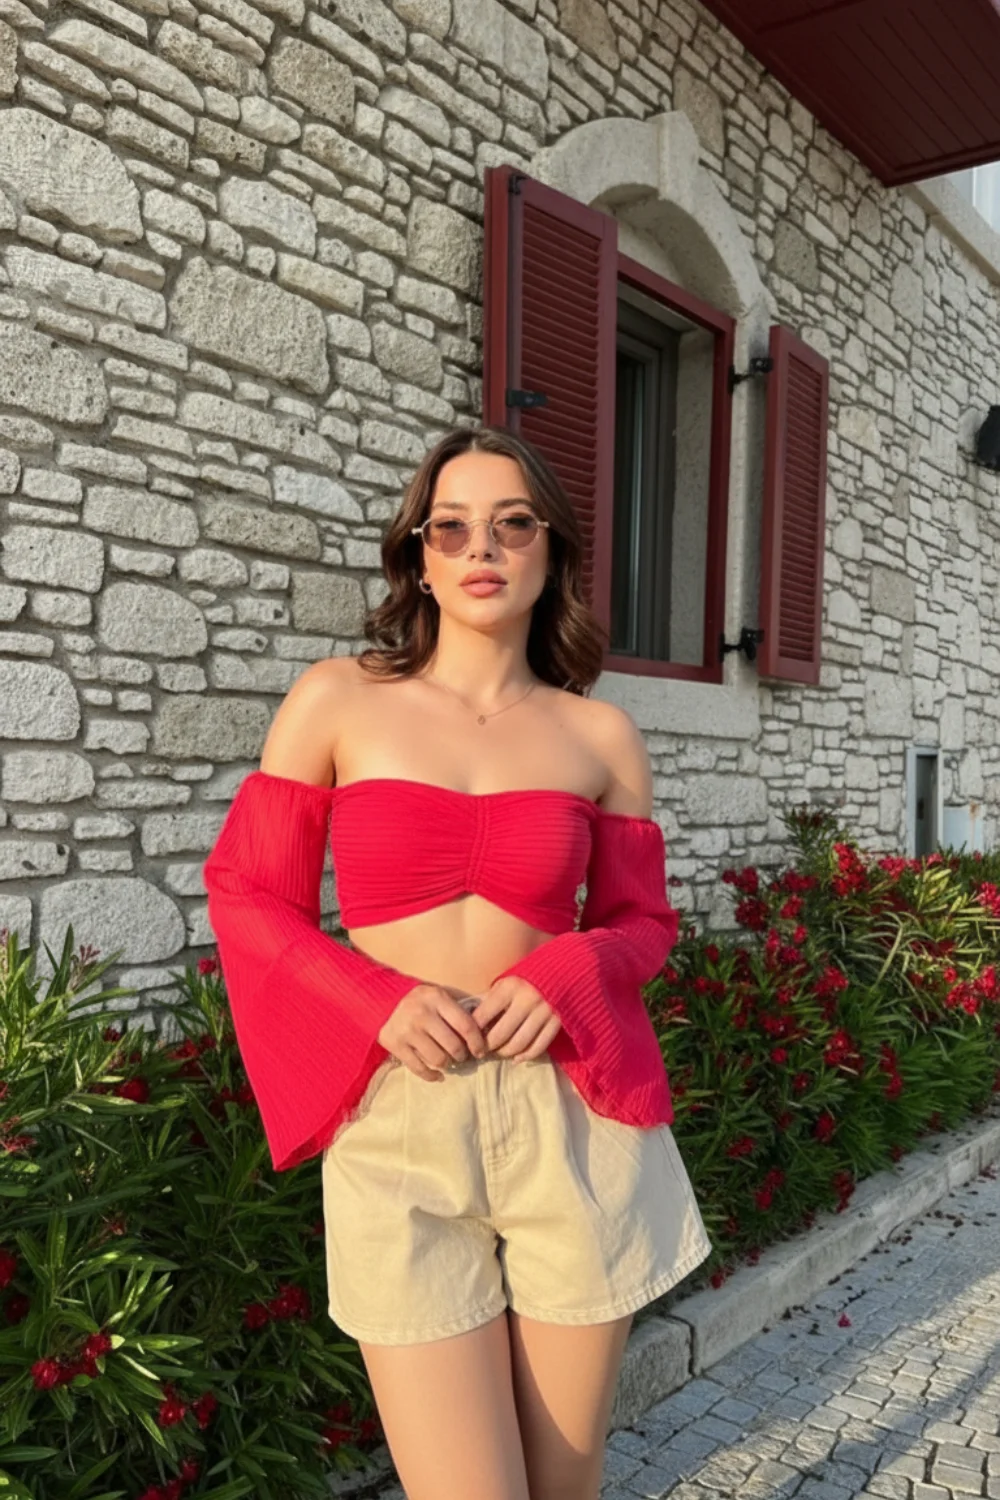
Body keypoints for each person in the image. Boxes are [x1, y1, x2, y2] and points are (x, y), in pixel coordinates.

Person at [203, 424, 711, 1500]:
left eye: (512, 523)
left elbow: (642, 922)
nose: (482, 547)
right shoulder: (337, 700)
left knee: (563, 1487)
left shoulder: (600, 736)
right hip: (399, 1116)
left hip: (570, 1116)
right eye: (452, 527)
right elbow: (250, 897)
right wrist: (370, 999)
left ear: (550, 552)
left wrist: (569, 975)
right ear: (420, 558)